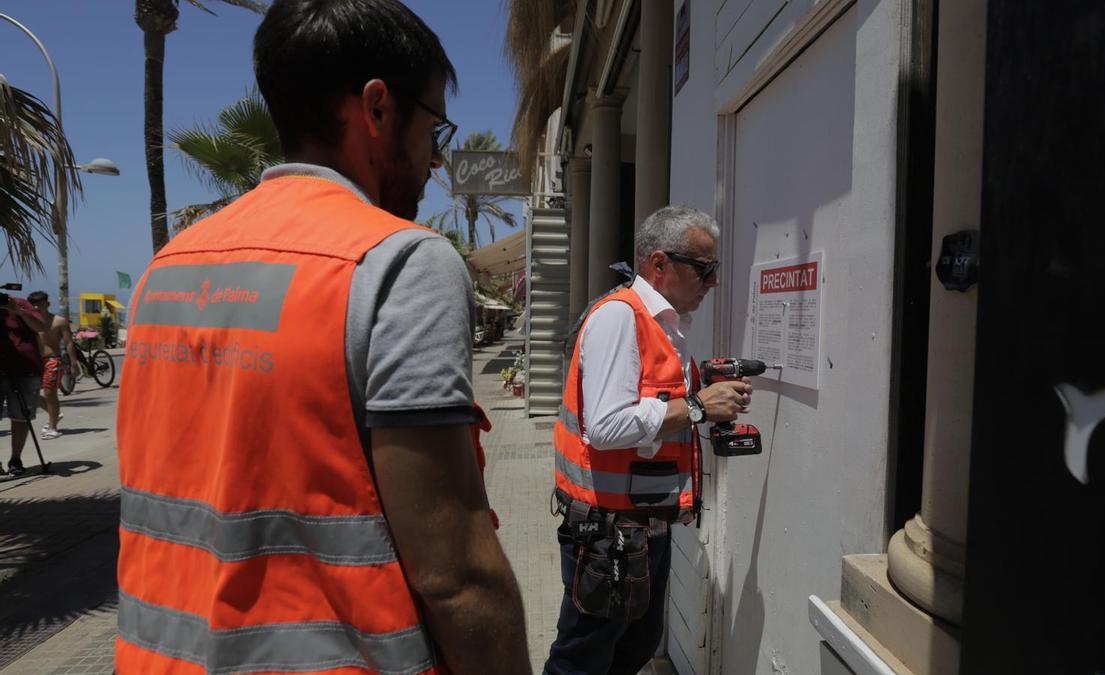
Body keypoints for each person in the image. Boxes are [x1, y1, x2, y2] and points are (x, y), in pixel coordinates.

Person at [115, 1, 530, 673]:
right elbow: (456, 575)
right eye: (434, 126)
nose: (434, 159)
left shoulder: (166, 271)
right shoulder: (397, 261)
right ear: (376, 107)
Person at [545, 205, 753, 674]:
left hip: (640, 525)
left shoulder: (666, 326)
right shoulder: (621, 318)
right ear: (659, 264)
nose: (713, 281)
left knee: (634, 647)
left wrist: (703, 393)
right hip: (606, 530)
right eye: (705, 268)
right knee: (582, 658)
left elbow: (653, 411)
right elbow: (606, 426)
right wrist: (698, 406)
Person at [0, 294, 46, 477]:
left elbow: (41, 327)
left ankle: (15, 459)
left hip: (25, 369)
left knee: (21, 416)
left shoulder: (18, 303)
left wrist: (19, 312)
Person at [27, 290, 80, 440]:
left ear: (48, 304)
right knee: (31, 394)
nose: (37, 308)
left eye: (40, 304)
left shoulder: (59, 321)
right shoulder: (29, 321)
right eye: (34, 305)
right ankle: (55, 414)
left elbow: (69, 342)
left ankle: (53, 427)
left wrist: (73, 363)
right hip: (35, 361)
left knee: (50, 394)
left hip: (53, 360)